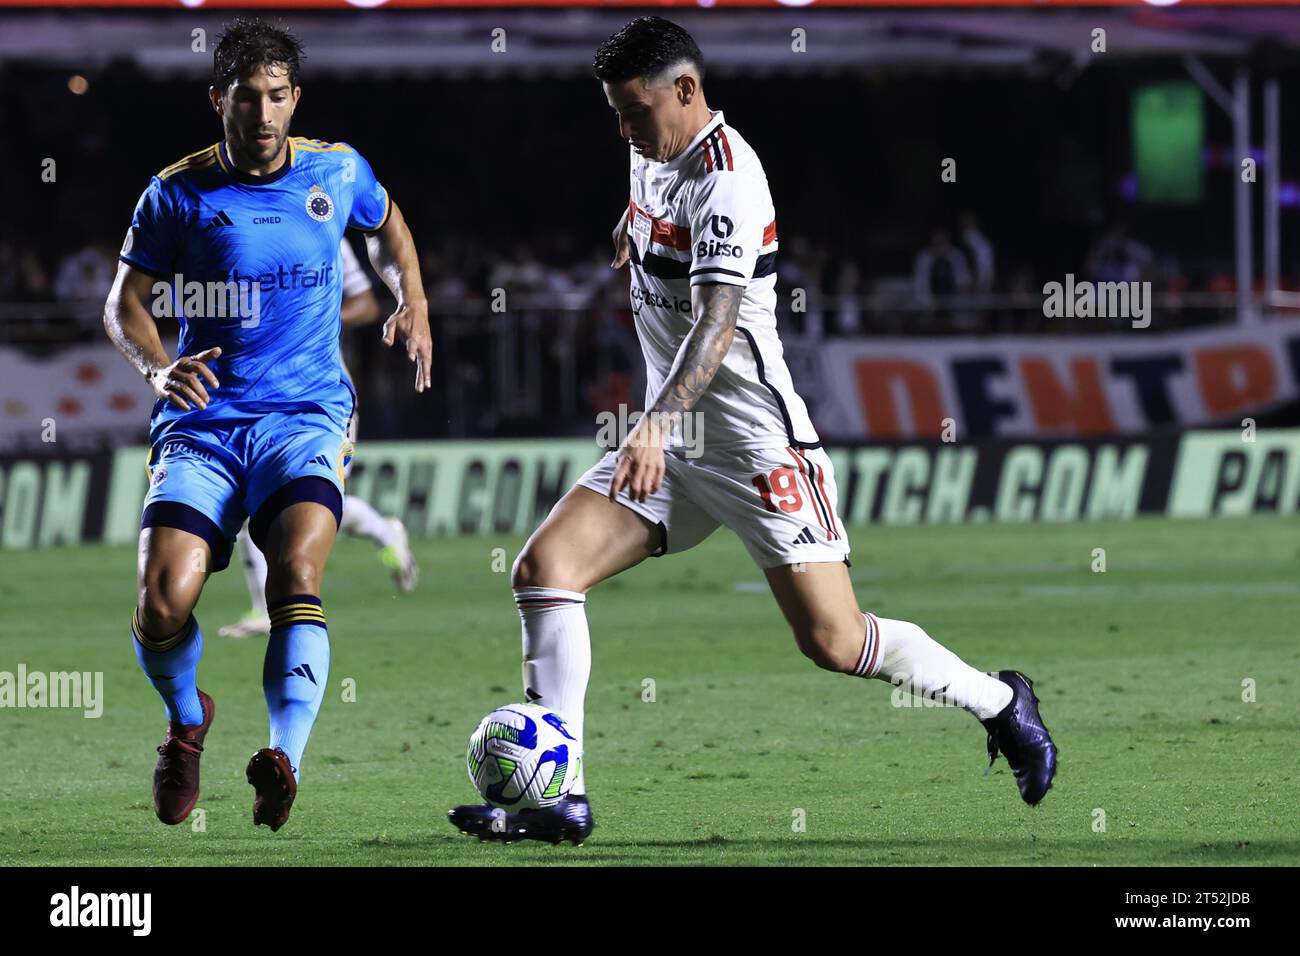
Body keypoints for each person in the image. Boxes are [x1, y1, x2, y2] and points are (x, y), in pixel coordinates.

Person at [448, 16, 1056, 845]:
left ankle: (1000, 701)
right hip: (675, 449)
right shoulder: (649, 151)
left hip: (752, 445)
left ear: (687, 93)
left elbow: (718, 323)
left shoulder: (731, 178)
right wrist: (628, 235)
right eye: (616, 114)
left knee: (834, 641)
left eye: (634, 112)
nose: (623, 129)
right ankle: (561, 798)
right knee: (544, 570)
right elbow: (649, 217)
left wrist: (654, 425)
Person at [103, 18, 430, 832]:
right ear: (219, 100)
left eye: (277, 96)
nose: (263, 114)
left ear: (294, 98)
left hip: (306, 415)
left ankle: (283, 756)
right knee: (162, 599)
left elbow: (390, 227)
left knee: (297, 577)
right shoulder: (176, 191)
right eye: (246, 98)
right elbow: (123, 303)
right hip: (204, 423)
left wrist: (412, 299)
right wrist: (155, 368)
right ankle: (186, 725)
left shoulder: (336, 170)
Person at [220, 238, 419, 640]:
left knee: (308, 501)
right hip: (259, 394)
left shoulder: (324, 229)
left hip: (322, 396)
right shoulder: (236, 225)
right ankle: (264, 610)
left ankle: (383, 532)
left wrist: (310, 321)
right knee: (252, 504)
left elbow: (366, 306)